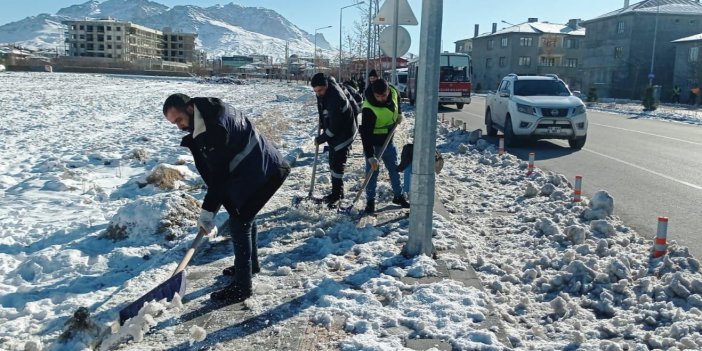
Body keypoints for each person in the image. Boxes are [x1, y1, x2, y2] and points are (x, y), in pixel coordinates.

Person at [162, 94, 290, 303]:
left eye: (179, 120)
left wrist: (207, 212)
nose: (179, 127)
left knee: (240, 222)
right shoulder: (207, 114)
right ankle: (250, 266)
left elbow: (220, 175)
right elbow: (219, 173)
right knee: (243, 214)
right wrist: (212, 207)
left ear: (190, 108)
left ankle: (242, 287)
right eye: (174, 123)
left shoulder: (214, 126)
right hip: (256, 170)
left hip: (266, 173)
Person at [360, 78, 410, 213]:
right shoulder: (369, 109)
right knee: (372, 174)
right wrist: (370, 156)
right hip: (374, 144)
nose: (381, 99)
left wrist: (399, 113)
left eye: (384, 95)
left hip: (388, 141)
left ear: (388, 90)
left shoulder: (393, 91)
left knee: (394, 169)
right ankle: (370, 202)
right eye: (378, 96)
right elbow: (365, 135)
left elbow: (397, 98)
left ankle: (398, 196)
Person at [310, 73, 358, 208]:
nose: (318, 93)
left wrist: (321, 138)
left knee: (337, 164)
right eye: (315, 91)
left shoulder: (335, 98)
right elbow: (322, 107)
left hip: (344, 132)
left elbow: (335, 126)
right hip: (336, 130)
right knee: (333, 162)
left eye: (320, 90)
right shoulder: (324, 92)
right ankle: (337, 193)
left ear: (326, 86)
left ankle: (336, 195)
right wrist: (322, 120)